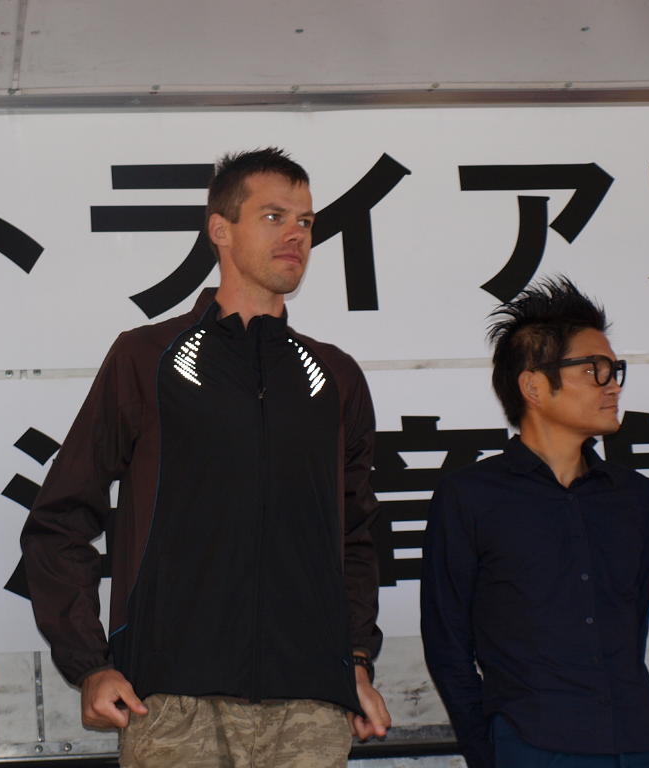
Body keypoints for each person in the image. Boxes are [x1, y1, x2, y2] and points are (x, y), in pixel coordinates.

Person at [21, 147, 391, 767]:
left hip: (311, 704)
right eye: (274, 216)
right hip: (171, 701)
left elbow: (356, 535)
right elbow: (60, 518)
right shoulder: (147, 357)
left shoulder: (336, 375)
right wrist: (90, 664)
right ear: (220, 229)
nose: (296, 235)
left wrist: (353, 660)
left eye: (305, 221)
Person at [421, 277, 649, 768]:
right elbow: (448, 644)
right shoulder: (470, 496)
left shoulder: (636, 496)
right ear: (534, 386)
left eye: (615, 370)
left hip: (642, 743)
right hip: (534, 745)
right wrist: (489, 752)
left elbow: (633, 625)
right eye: (595, 369)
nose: (613, 385)